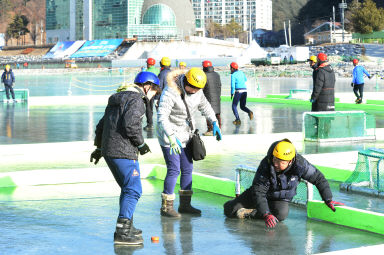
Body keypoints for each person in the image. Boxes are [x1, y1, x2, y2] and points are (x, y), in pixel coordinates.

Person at [90, 71, 162, 245]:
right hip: (123, 151)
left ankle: (128, 226)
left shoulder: (117, 98)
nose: (152, 96)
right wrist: (141, 144)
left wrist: (99, 148)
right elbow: (131, 125)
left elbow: (101, 125)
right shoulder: (137, 100)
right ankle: (122, 233)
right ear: (147, 86)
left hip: (109, 151)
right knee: (134, 189)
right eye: (153, 92)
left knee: (127, 188)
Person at [223, 139, 344, 228]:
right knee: (229, 211)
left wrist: (328, 199)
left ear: (290, 161)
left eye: (280, 161)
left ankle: (250, 213)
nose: (275, 163)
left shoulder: (300, 165)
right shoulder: (267, 164)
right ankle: (250, 207)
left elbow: (318, 178)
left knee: (280, 215)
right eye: (275, 159)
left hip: (280, 198)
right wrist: (266, 213)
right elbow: (258, 192)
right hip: (261, 194)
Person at [157, 67, 222, 217]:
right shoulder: (170, 92)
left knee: (187, 168)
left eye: (198, 88)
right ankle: (166, 207)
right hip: (169, 135)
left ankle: (185, 205)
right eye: (192, 87)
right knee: (174, 169)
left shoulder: (197, 91)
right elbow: (162, 117)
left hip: (186, 133)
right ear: (185, 81)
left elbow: (205, 106)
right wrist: (171, 137)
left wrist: (214, 122)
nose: (194, 91)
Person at [202, 60, 222, 136]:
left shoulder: (204, 75)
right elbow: (220, 85)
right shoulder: (217, 74)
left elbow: (202, 87)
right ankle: (219, 128)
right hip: (217, 96)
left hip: (208, 97)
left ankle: (210, 129)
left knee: (208, 113)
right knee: (217, 113)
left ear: (204, 67)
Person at [143, 58, 160, 131]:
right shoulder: (157, 70)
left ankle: (150, 124)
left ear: (148, 64)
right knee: (156, 107)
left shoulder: (146, 71)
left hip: (149, 91)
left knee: (148, 108)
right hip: (157, 91)